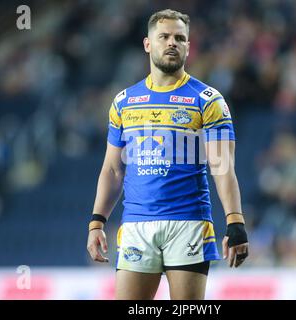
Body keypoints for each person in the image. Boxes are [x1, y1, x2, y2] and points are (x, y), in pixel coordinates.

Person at [86, 9, 249, 300]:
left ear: (188, 46)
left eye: (180, 38)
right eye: (164, 36)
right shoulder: (124, 102)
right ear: (148, 44)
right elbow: (112, 169)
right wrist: (97, 222)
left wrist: (235, 222)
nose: (172, 42)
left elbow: (223, 167)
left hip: (189, 223)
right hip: (137, 223)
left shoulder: (208, 100)